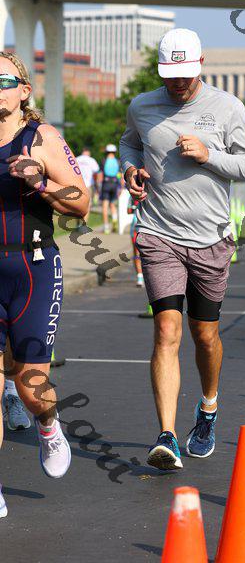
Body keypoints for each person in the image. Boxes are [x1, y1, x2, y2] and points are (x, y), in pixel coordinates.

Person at [120, 28, 245, 470]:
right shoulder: (142, 106)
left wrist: (208, 155)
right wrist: (130, 169)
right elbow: (129, 142)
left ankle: (208, 407)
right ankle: (166, 436)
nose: (177, 82)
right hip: (158, 232)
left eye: (184, 73)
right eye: (170, 74)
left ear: (201, 64)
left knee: (205, 335)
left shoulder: (228, 107)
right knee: (167, 330)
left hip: (211, 239)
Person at [0, 51, 89, 516]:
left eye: (3, 81)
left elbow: (81, 203)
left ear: (24, 91)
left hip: (32, 268)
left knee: (31, 386)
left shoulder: (42, 138)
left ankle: (49, 426)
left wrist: (40, 182)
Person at [98, 144, 121, 234]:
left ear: (107, 152)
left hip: (106, 183)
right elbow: (120, 175)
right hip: (115, 184)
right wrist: (121, 187)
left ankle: (106, 227)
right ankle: (115, 220)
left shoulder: (103, 161)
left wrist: (98, 187)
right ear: (114, 152)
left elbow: (100, 175)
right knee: (112, 204)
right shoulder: (118, 161)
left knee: (105, 205)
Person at [76, 147, 99, 222]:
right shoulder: (91, 160)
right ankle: (83, 224)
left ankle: (78, 222)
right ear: (88, 152)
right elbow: (96, 173)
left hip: (77, 185)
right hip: (88, 185)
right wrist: (96, 185)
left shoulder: (76, 159)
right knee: (87, 205)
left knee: (78, 204)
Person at [127, 196, 144, 287]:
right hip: (146, 228)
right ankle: (141, 276)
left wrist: (134, 208)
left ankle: (140, 277)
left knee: (136, 253)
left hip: (136, 227)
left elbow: (128, 211)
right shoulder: (150, 193)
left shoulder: (132, 196)